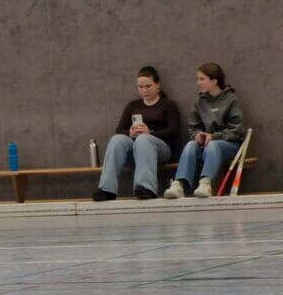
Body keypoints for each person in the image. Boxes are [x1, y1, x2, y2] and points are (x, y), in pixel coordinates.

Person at [92, 65, 180, 201]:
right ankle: (107, 189)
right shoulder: (132, 105)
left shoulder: (168, 105)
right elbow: (120, 129)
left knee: (144, 139)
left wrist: (150, 133)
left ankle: (146, 188)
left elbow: (173, 131)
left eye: (148, 86)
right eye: (140, 87)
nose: (144, 90)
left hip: (160, 149)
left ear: (157, 85)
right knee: (117, 139)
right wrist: (130, 133)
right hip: (135, 147)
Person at [164, 63, 246, 199]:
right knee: (190, 145)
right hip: (205, 144)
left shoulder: (232, 100)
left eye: (202, 79)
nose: (198, 82)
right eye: (197, 79)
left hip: (228, 144)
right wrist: (197, 135)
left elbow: (236, 130)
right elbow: (193, 127)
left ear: (214, 81)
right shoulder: (199, 102)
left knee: (213, 144)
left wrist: (214, 136)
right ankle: (179, 185)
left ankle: (206, 183)